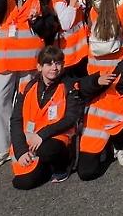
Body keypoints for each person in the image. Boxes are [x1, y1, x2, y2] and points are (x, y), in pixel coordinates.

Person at [0, 0, 46, 169]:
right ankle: (0, 147)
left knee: (25, 105)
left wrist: (38, 21)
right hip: (6, 60)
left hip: (30, 61)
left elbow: (50, 27)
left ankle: (22, 145)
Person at [76, 42, 123, 180]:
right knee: (87, 173)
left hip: (121, 125)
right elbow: (79, 88)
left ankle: (117, 144)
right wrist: (96, 82)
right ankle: (109, 147)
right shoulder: (112, 72)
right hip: (97, 126)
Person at [9, 46, 84, 189]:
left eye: (58, 63)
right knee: (22, 183)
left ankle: (63, 165)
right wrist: (20, 152)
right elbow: (16, 120)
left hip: (56, 138)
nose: (54, 68)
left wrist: (42, 135)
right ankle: (43, 166)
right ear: (39, 67)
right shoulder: (27, 87)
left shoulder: (69, 86)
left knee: (47, 150)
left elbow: (70, 118)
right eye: (49, 64)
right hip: (30, 143)